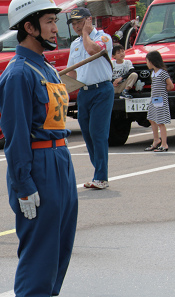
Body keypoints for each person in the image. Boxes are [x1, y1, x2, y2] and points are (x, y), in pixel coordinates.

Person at [0, 0, 78, 297]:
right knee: (39, 241)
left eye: (55, 21)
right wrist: (24, 184)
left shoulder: (47, 68)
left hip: (61, 158)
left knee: (60, 240)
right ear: (29, 27)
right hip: (37, 163)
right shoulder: (17, 74)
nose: (55, 28)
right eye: (49, 21)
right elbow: (15, 137)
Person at [67, 7, 114, 189]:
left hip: (101, 90)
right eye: (74, 23)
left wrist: (87, 33)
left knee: (97, 133)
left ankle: (101, 177)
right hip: (84, 92)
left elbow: (92, 50)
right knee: (87, 134)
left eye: (80, 22)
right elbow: (72, 72)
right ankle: (98, 173)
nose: (77, 26)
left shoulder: (103, 38)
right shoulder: (75, 44)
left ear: (89, 20)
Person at [144, 50, 174, 152]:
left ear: (152, 61)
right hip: (154, 100)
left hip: (160, 100)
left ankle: (164, 144)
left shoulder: (163, 73)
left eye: (147, 61)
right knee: (151, 118)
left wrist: (165, 89)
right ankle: (156, 140)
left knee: (160, 122)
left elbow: (170, 85)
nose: (147, 63)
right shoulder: (153, 73)